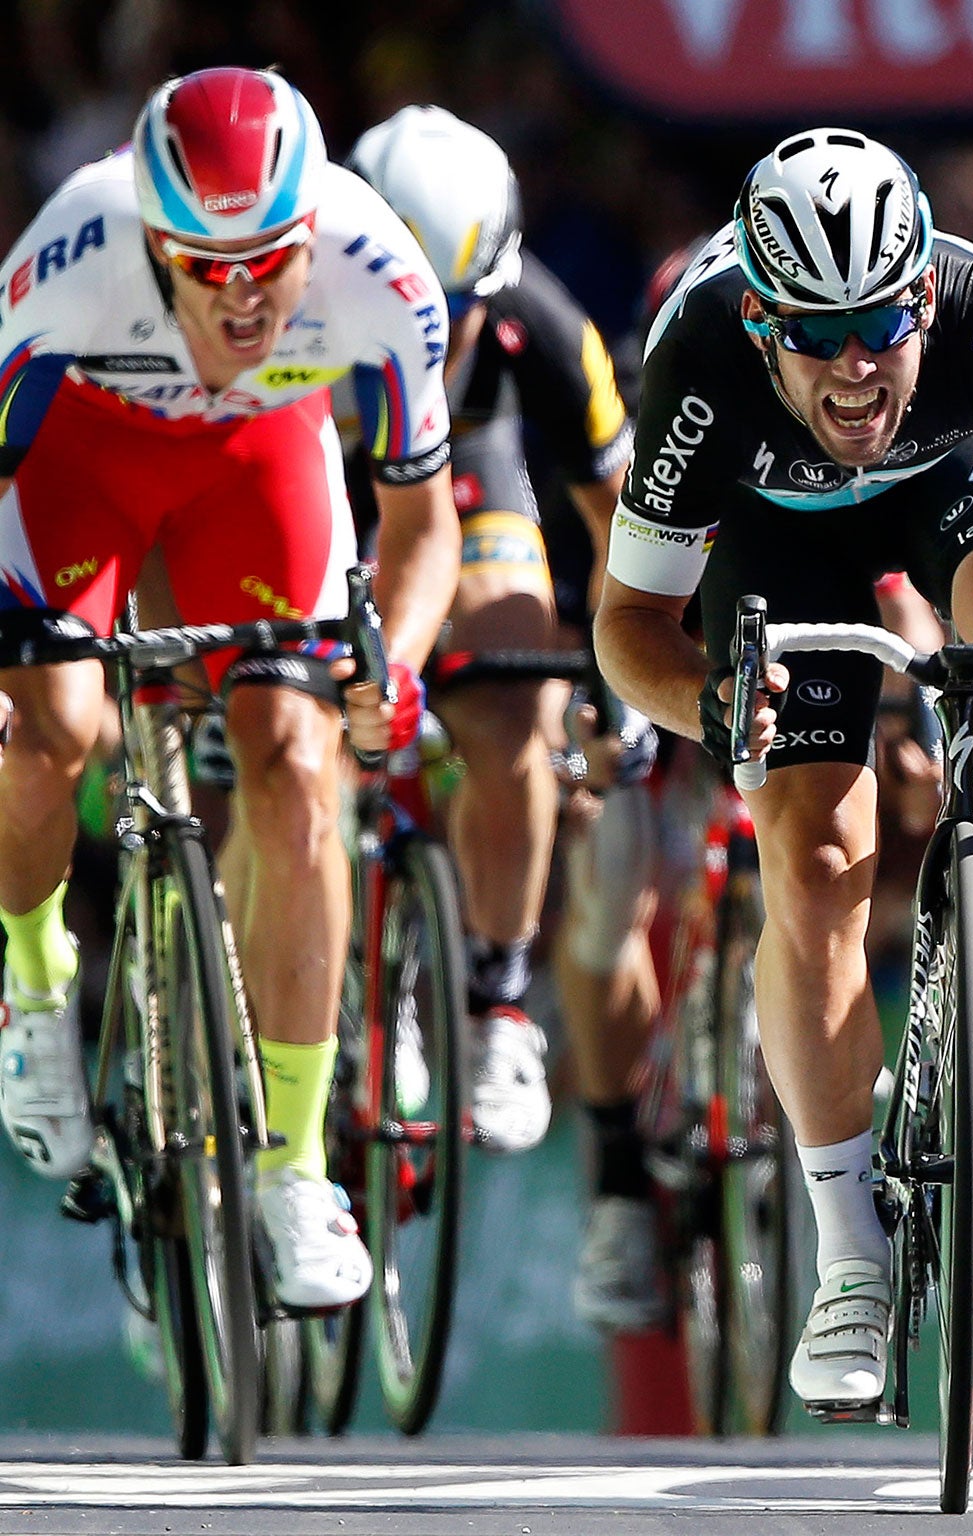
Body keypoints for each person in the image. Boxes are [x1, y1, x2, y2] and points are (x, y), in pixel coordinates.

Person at [594, 128, 973, 1410]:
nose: (855, 364)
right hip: (773, 541)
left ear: (921, 294)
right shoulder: (700, 360)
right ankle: (848, 1260)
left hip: (954, 484)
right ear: (761, 318)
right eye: (816, 335)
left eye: (882, 320)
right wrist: (710, 706)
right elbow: (624, 632)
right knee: (815, 866)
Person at [0, 67, 461, 1309]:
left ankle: (295, 1169)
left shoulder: (384, 269)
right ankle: (34, 986)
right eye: (209, 268)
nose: (247, 295)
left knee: (302, 769)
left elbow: (421, 533)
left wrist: (397, 670)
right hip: (82, 457)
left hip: (256, 465)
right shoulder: (68, 253)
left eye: (274, 258)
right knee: (52, 728)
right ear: (151, 239)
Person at [345, 109, 667, 1328]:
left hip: (470, 474)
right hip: (320, 470)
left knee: (511, 685)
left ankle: (492, 994)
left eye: (459, 316)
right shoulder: (314, 292)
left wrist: (614, 677)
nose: (431, 342)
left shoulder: (541, 322)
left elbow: (625, 531)